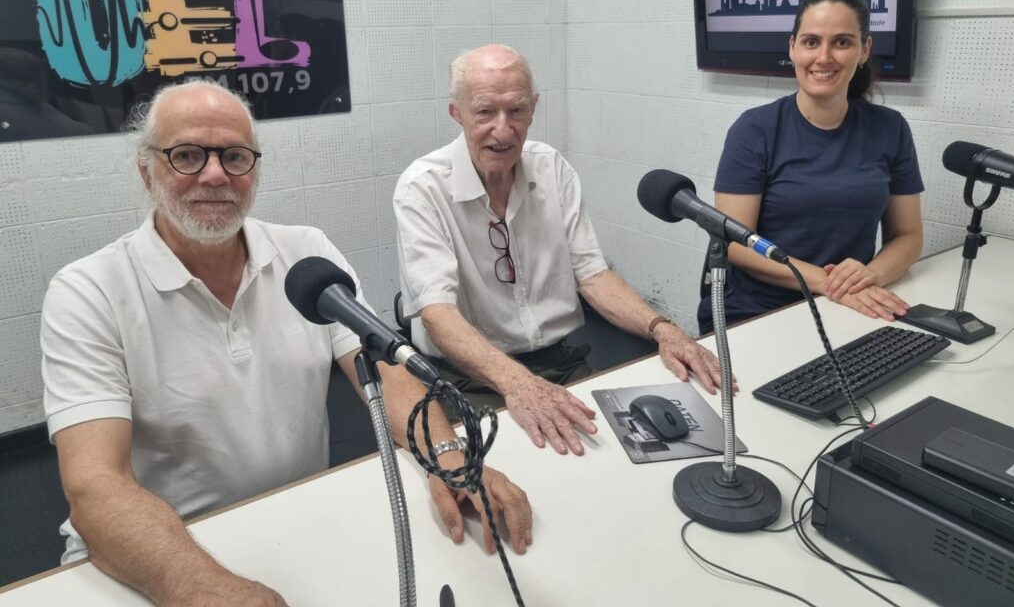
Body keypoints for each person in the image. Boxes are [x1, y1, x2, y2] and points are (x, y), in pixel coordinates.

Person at [40, 81, 532, 607]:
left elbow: (387, 372)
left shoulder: (306, 255)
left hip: (296, 514)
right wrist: (202, 589)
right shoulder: (88, 291)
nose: (215, 175)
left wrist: (450, 457)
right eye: (186, 155)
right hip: (156, 553)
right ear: (147, 170)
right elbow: (96, 486)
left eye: (234, 157)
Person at [394, 44, 727, 458]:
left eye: (516, 110)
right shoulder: (422, 188)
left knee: (616, 454)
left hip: (559, 362)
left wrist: (665, 330)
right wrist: (518, 384)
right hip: (467, 377)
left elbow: (593, 274)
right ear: (456, 113)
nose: (503, 129)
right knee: (510, 473)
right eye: (485, 112)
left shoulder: (552, 168)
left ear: (533, 109)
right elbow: (437, 313)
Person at [696, 0, 924, 333]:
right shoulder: (754, 130)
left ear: (865, 49)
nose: (824, 57)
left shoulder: (890, 128)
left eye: (842, 42)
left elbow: (908, 236)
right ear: (793, 47)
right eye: (811, 42)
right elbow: (737, 246)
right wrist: (829, 283)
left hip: (850, 307)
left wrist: (872, 274)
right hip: (759, 313)